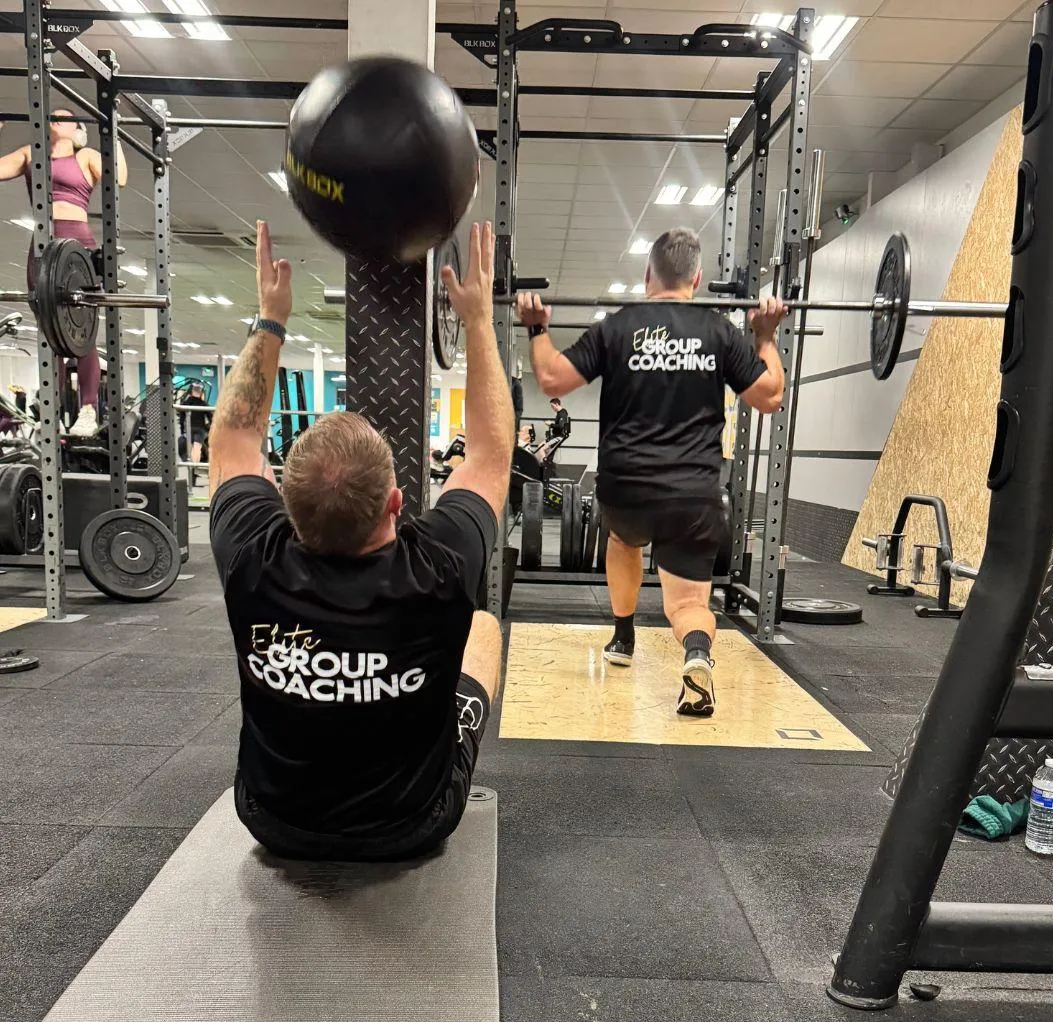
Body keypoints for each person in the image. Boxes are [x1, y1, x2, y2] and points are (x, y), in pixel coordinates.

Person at [209, 220, 514, 861]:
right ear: (397, 504)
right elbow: (491, 454)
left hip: (273, 818)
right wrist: (478, 321)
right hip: (414, 824)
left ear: (284, 503)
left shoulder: (251, 555)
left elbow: (234, 440)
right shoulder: (441, 566)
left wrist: (270, 320)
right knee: (483, 628)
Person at [517, 227, 785, 717]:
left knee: (622, 542)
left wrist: (537, 327)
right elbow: (769, 396)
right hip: (693, 494)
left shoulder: (618, 327)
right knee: (687, 605)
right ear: (697, 279)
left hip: (626, 488)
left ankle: (623, 637)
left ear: (647, 275)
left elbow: (552, 378)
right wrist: (765, 337)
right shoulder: (719, 333)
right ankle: (697, 653)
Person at [0, 110, 128, 438]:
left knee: (81, 331)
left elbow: (120, 178)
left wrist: (114, 130)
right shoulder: (31, 154)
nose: (57, 119)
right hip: (44, 245)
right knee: (50, 330)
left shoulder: (86, 156)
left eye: (65, 117)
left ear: (77, 128)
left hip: (78, 243)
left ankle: (88, 408)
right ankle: (51, 409)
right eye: (53, 115)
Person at [180, 381, 212, 484]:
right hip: (199, 430)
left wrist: (182, 431)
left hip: (190, 430)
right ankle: (194, 469)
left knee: (192, 450)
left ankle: (193, 471)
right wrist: (210, 428)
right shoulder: (203, 404)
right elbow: (211, 417)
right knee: (196, 449)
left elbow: (182, 418)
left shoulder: (186, 403)